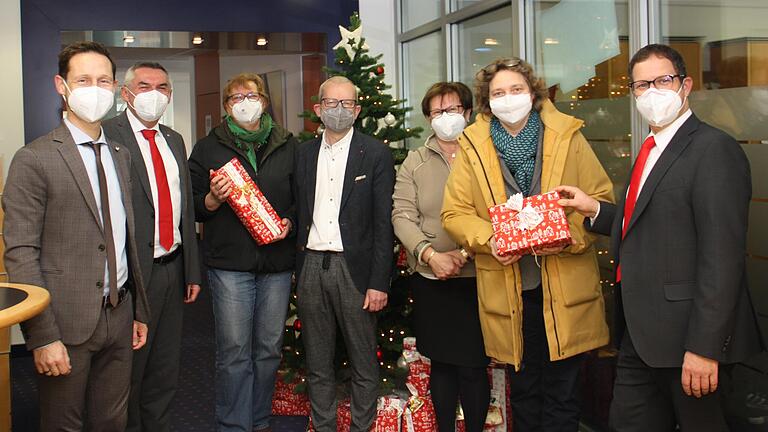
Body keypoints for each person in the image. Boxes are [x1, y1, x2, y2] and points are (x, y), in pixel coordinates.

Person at [555, 43, 763, 431]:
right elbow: (650, 223)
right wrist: (594, 210)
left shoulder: (713, 149)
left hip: (690, 340)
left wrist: (704, 348)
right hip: (641, 335)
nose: (651, 92)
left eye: (662, 80)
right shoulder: (650, 149)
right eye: (641, 85)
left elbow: (723, 257)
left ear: (685, 86)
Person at [441, 57, 614, 431]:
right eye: (498, 93)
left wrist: (567, 238)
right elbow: (454, 214)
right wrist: (493, 239)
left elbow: (599, 199)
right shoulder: (472, 146)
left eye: (516, 90)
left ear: (532, 94)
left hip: (565, 292)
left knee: (564, 396)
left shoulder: (568, 136)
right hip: (509, 291)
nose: (508, 99)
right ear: (487, 101)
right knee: (523, 393)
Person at [2, 41, 149, 431]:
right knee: (63, 424)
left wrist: (136, 309)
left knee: (112, 421)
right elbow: (20, 253)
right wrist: (41, 336)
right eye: (83, 79)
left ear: (117, 88)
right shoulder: (33, 159)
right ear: (61, 86)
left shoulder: (120, 153)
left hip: (119, 316)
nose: (94, 89)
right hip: (64, 323)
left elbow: (123, 237)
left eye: (103, 80)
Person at [188, 72, 297, 432]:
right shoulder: (208, 147)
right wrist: (212, 198)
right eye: (235, 98)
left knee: (268, 350)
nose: (243, 102)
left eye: (250, 95)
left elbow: (302, 199)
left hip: (277, 263)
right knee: (235, 352)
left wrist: (289, 222)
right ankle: (234, 424)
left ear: (264, 101)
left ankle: (260, 419)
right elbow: (192, 207)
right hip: (230, 264)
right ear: (226, 107)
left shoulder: (287, 143)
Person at [102, 61, 202, 432]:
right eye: (145, 86)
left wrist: (192, 268)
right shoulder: (108, 135)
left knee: (165, 368)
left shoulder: (174, 139)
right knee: (130, 371)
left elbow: (184, 209)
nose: (154, 95)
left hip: (172, 268)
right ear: (125, 93)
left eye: (162, 88)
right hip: (133, 274)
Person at [294, 76, 394, 432]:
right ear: (319, 109)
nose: (339, 110)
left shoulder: (376, 153)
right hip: (310, 266)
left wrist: (378, 282)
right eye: (331, 104)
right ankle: (323, 428)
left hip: (355, 271)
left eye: (347, 104)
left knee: (363, 362)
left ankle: (360, 429)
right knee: (318, 363)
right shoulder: (303, 153)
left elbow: (384, 224)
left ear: (357, 109)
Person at [392, 81, 489, 432]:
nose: (446, 117)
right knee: (443, 365)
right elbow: (402, 215)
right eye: (437, 112)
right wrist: (430, 254)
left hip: (480, 277)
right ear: (428, 118)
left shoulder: (487, 155)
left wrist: (464, 252)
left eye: (452, 110)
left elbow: (498, 210)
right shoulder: (415, 162)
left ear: (467, 111)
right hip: (432, 279)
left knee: (474, 366)